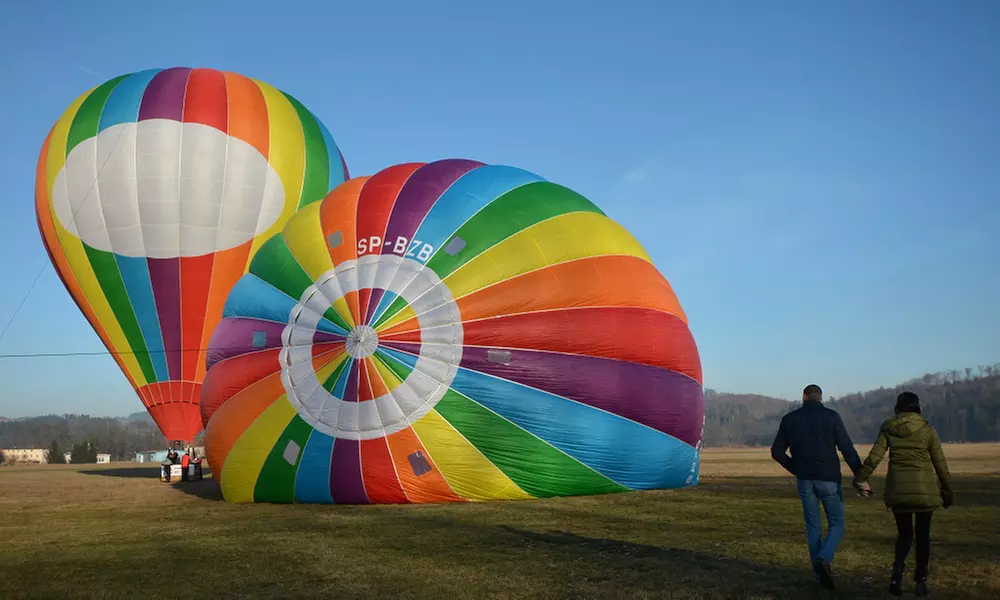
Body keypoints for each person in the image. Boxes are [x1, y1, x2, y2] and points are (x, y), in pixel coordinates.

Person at [852, 392, 953, 597]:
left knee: (905, 535)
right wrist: (946, 490)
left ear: (898, 407)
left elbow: (874, 458)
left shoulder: (889, 428)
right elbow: (940, 464)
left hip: (899, 491)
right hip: (925, 492)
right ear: (918, 407)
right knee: (923, 536)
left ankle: (896, 575)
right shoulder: (928, 430)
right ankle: (921, 581)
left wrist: (859, 478)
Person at [770, 384, 863, 590]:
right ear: (820, 397)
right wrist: (860, 475)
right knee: (837, 524)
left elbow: (776, 451)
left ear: (804, 396)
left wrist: (796, 468)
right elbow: (847, 448)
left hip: (805, 479)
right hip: (829, 477)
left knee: (813, 528)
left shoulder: (790, 419)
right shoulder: (832, 417)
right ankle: (824, 559)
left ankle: (819, 576)